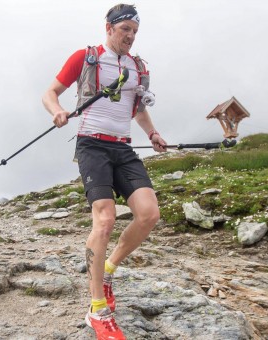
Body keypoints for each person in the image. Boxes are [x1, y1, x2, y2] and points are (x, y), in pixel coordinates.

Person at [41, 3, 167, 339]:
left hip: (122, 147)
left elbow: (137, 110)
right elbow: (49, 93)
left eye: (135, 32)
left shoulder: (138, 67)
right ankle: (97, 310)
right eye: (126, 29)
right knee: (105, 219)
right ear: (109, 27)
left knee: (149, 213)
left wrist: (152, 133)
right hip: (91, 145)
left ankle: (108, 269)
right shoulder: (86, 57)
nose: (131, 36)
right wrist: (57, 111)